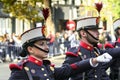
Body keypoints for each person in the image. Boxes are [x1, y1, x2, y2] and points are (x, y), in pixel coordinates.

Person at [8, 27, 112, 80]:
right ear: (30, 49)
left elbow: (70, 69)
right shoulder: (20, 71)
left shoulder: (47, 68)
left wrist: (94, 60)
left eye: (46, 43)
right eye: (41, 44)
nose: (46, 47)